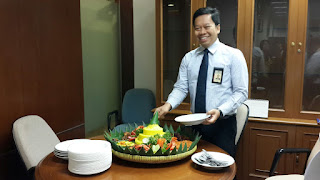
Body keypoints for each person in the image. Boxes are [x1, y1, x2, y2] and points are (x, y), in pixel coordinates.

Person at [154, 7, 248, 157]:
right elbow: (181, 88)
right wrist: (168, 105)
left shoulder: (233, 56)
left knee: (221, 171)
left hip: (222, 125)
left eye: (206, 27)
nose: (202, 32)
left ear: (217, 28)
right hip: (194, 124)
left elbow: (241, 92)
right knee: (193, 168)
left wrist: (220, 110)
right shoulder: (189, 58)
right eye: (197, 28)